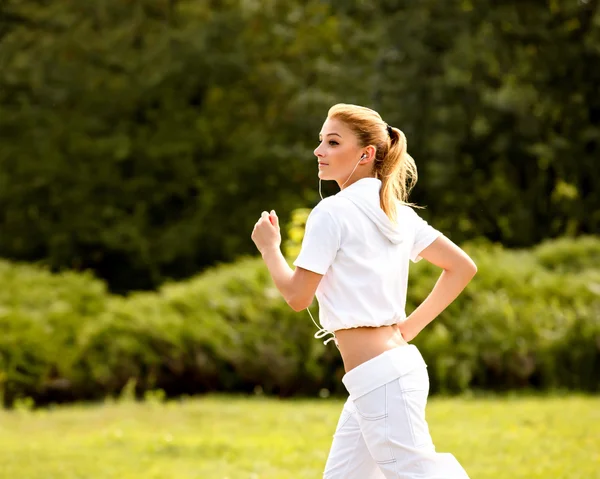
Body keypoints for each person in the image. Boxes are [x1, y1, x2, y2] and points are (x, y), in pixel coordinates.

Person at [251, 103, 476, 478]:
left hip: (381, 379)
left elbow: (297, 297)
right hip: (387, 373)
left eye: (333, 142)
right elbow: (461, 268)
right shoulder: (397, 212)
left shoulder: (331, 212)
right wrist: (408, 330)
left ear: (366, 154)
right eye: (321, 141)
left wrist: (269, 249)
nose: (319, 151)